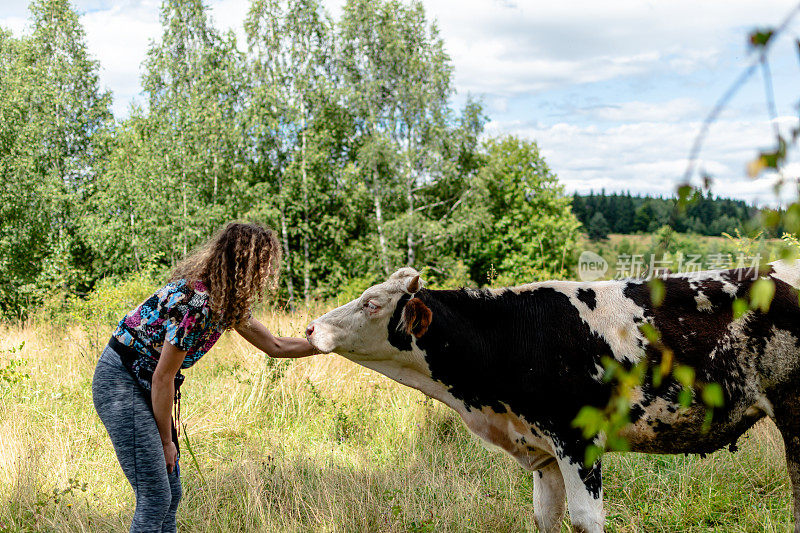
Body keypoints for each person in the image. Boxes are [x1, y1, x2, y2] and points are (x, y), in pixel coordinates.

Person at [92, 222, 318, 533]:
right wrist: (166, 441)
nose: (267, 272)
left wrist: (330, 344)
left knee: (171, 496)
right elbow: (163, 378)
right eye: (262, 262)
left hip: (146, 384)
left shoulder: (226, 302)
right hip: (121, 382)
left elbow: (276, 346)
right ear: (243, 263)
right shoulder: (196, 303)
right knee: (156, 496)